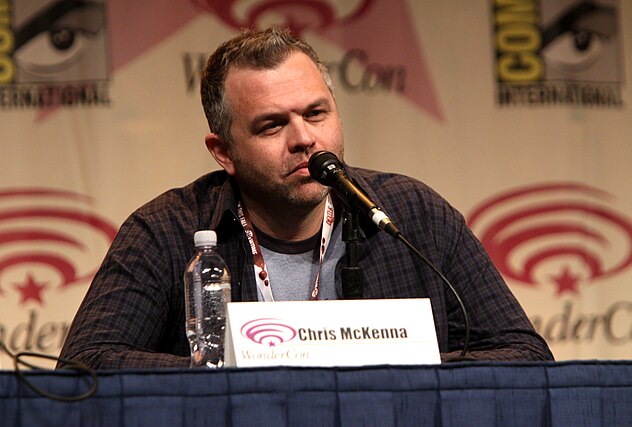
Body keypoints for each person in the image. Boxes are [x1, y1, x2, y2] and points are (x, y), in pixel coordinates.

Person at [58, 27, 553, 368]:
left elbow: (524, 355)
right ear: (223, 151)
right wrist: (238, 371)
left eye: (316, 114)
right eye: (273, 124)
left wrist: (397, 371)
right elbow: (87, 364)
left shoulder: (413, 214)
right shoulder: (166, 230)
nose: (304, 139)